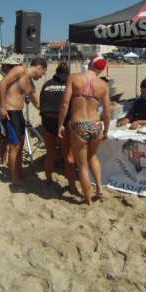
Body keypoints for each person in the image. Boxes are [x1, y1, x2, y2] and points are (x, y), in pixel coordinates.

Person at [58, 55, 111, 206]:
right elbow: (107, 113)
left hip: (79, 124)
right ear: (101, 69)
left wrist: (61, 124)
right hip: (95, 125)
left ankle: (88, 200)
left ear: (89, 64)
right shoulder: (103, 85)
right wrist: (105, 130)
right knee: (93, 156)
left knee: (82, 166)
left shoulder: (74, 78)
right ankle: (99, 189)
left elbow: (64, 103)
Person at [0, 56, 47, 185]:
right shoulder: (20, 70)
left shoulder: (29, 82)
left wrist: (48, 112)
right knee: (14, 146)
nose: (42, 76)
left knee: (20, 145)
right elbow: (2, 84)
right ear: (39, 67)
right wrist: (2, 107)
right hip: (9, 111)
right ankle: (14, 178)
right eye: (43, 72)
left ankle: (18, 172)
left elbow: (36, 103)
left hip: (18, 113)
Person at [40, 62, 78, 193]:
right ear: (68, 74)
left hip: (47, 119)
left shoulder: (46, 85)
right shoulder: (69, 85)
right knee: (68, 156)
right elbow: (70, 104)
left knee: (50, 154)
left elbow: (41, 104)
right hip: (62, 120)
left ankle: (49, 179)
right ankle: (72, 185)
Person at [0, 60, 17, 165]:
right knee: (5, 137)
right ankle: (3, 159)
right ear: (6, 67)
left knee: (3, 136)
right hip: (0, 112)